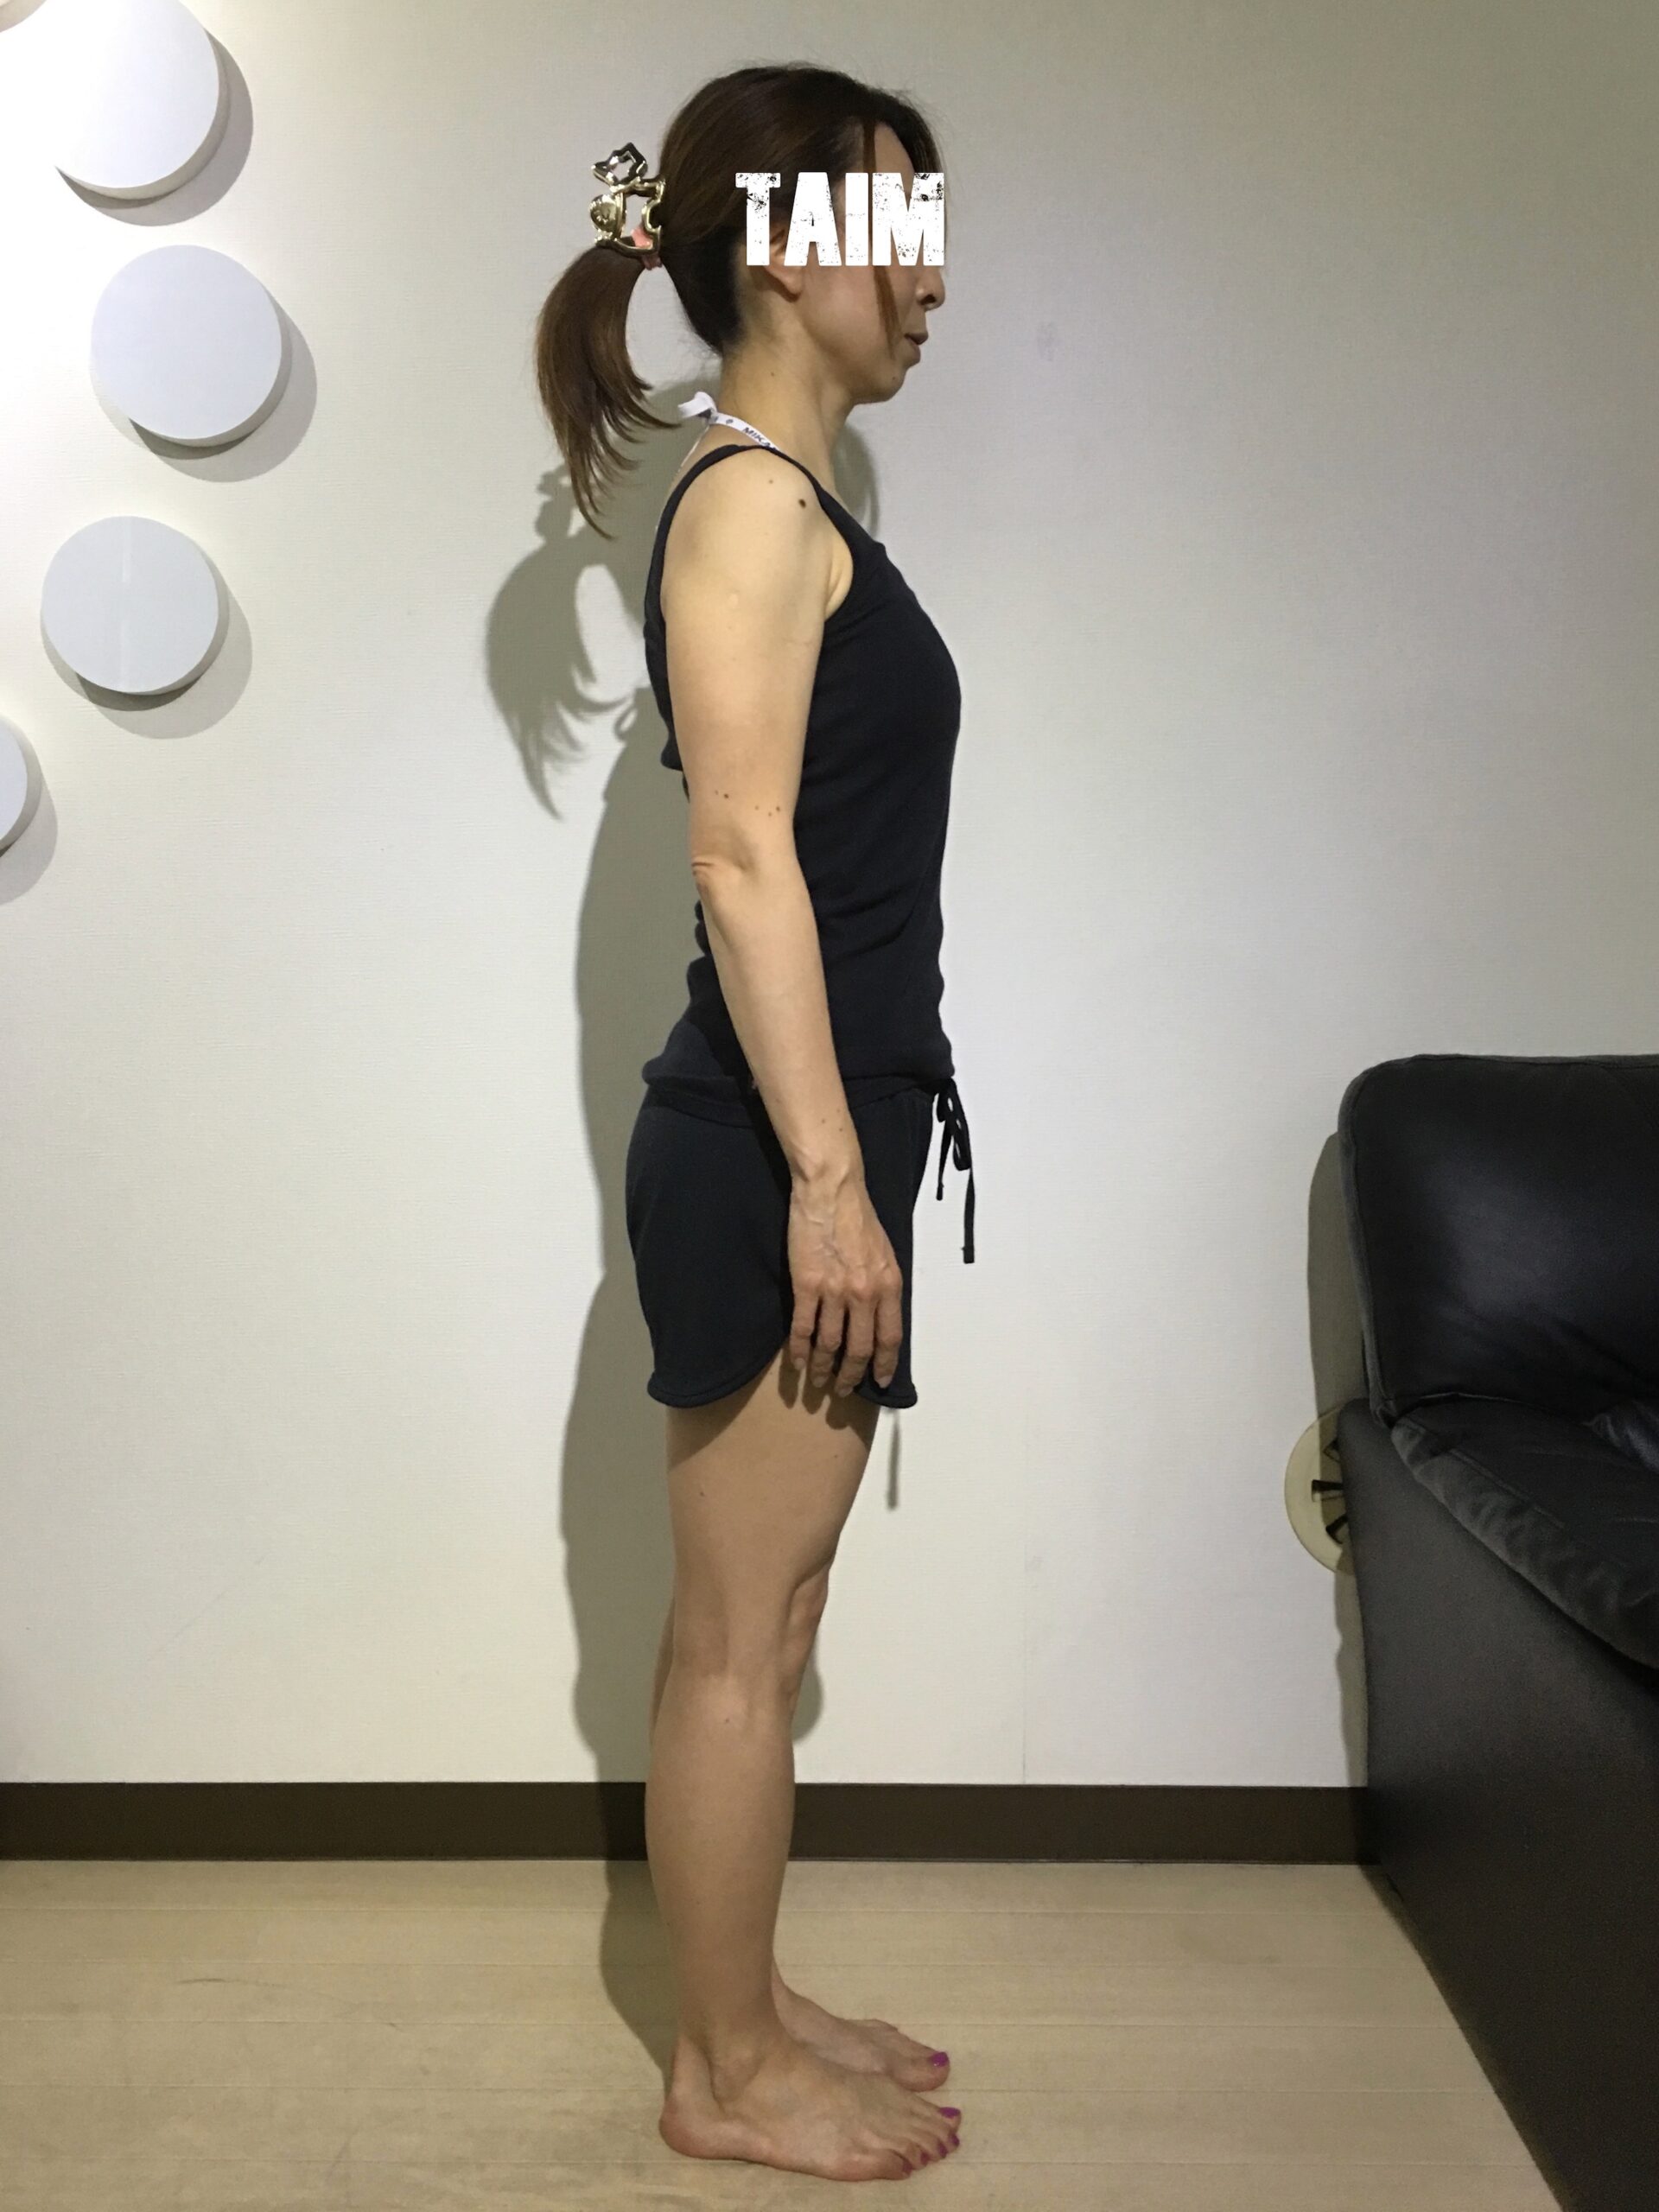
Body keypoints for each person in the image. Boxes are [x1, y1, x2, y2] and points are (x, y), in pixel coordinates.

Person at [535, 62, 972, 2183]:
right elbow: (737, 854)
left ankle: (750, 2000)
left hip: (817, 1129)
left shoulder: (795, 508)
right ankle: (720, 2071)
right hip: (769, 1147)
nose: (935, 283)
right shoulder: (748, 511)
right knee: (735, 1639)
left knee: (770, 1624)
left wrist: (851, 1156)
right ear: (791, 250)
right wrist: (826, 1179)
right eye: (906, 230)